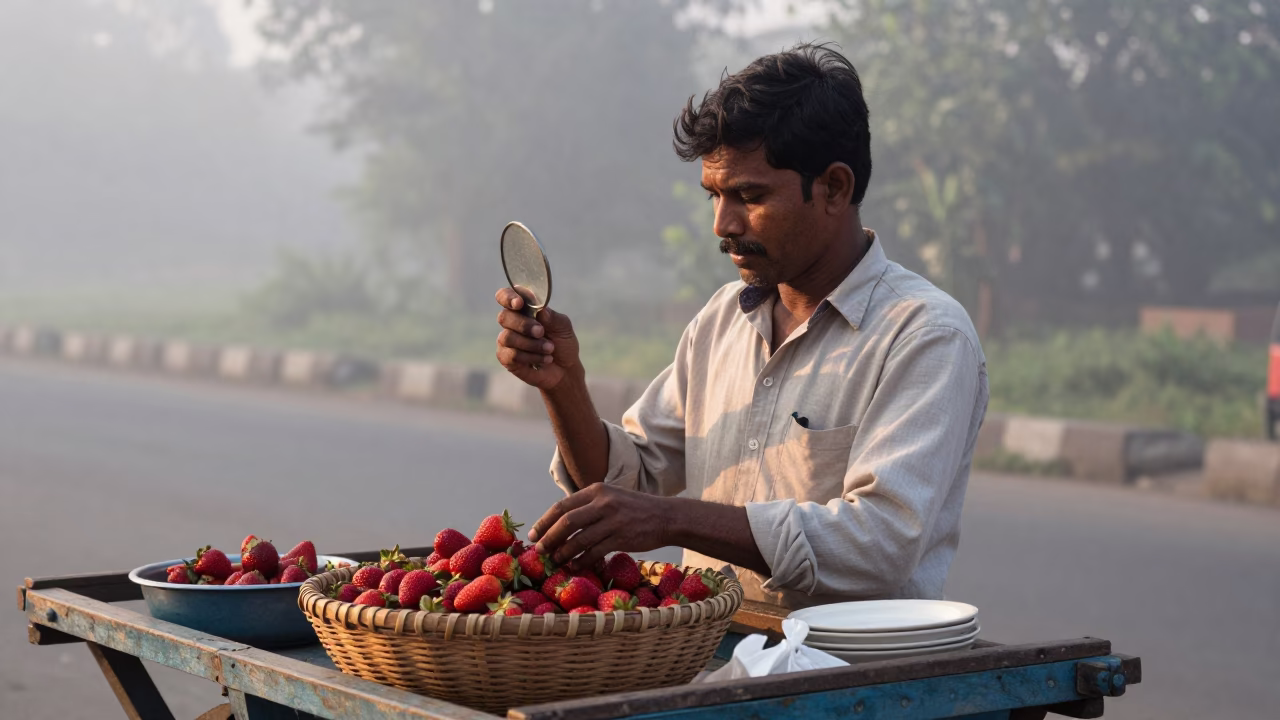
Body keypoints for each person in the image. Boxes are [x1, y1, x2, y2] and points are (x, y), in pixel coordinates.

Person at [494, 43, 988, 608]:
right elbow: (628, 482)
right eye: (715, 195)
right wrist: (564, 385)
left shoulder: (924, 335)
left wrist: (673, 519)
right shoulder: (722, 319)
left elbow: (877, 545)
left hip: (840, 660)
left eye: (749, 196)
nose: (722, 224)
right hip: (709, 650)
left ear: (834, 188)